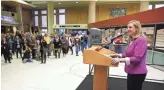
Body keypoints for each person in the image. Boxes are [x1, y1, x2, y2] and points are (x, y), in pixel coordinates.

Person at [107, 20, 148, 90]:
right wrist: (117, 55)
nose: (128, 29)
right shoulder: (132, 40)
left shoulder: (141, 40)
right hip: (132, 71)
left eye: (130, 27)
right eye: (127, 27)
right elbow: (127, 54)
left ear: (137, 29)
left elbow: (137, 58)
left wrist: (119, 60)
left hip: (138, 73)